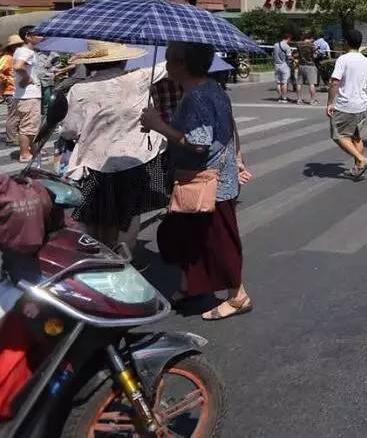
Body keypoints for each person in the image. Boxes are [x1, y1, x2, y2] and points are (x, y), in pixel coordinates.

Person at [141, 41, 253, 321]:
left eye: (169, 59)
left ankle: (238, 296)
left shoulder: (197, 97)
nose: (165, 65)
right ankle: (189, 285)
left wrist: (159, 126)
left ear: (182, 64)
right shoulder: (210, 88)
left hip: (208, 182)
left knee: (217, 241)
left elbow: (199, 143)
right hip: (208, 178)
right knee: (189, 237)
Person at [60, 42, 166, 252]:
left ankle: (98, 255)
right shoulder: (139, 78)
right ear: (123, 60)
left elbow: (69, 130)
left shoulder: (79, 89)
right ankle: (125, 255)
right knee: (130, 212)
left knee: (93, 213)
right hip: (135, 159)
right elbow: (167, 66)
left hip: (94, 162)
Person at [325, 29, 367, 179]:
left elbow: (335, 82)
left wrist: (330, 103)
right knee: (356, 137)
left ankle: (361, 159)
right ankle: (358, 168)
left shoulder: (343, 59)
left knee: (338, 135)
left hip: (345, 105)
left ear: (346, 42)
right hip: (361, 105)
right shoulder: (365, 60)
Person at [10, 31, 41, 163]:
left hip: (23, 95)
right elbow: (18, 66)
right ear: (28, 36)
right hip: (29, 95)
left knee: (29, 125)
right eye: (38, 34)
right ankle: (24, 154)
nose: (41, 37)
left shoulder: (20, 51)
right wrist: (27, 78)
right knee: (28, 126)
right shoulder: (26, 52)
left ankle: (32, 150)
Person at [0, 36, 19, 146]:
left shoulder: (13, 57)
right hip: (10, 91)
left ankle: (14, 135)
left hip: (15, 90)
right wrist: (8, 80)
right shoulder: (7, 58)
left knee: (17, 114)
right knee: (13, 115)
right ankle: (11, 138)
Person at [296, 37, 319, 105]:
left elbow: (297, 54)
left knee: (299, 83)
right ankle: (312, 100)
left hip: (301, 65)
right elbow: (315, 56)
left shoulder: (299, 45)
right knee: (311, 84)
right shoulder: (312, 45)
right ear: (310, 38)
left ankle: (299, 99)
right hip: (310, 65)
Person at [272, 33, 293, 103]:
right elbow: (289, 57)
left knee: (278, 83)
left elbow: (273, 54)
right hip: (284, 65)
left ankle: (279, 97)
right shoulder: (287, 46)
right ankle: (284, 98)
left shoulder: (275, 45)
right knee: (284, 83)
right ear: (288, 38)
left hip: (276, 65)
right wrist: (293, 58)